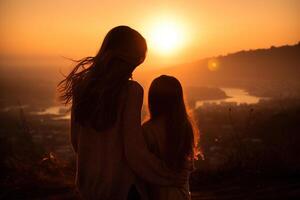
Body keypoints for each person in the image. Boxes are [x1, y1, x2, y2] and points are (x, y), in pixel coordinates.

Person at [58, 26, 185, 200]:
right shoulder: (131, 91)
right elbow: (135, 153)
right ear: (127, 59)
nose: (133, 71)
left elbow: (76, 142)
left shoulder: (82, 88)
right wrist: (169, 175)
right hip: (124, 191)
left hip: (90, 190)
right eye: (135, 62)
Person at [142, 75, 199, 200]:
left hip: (157, 194)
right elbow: (187, 166)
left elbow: (143, 166)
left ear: (153, 99)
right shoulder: (185, 126)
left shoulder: (148, 130)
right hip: (181, 194)